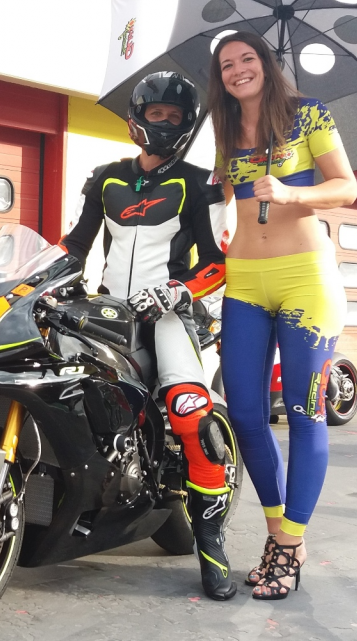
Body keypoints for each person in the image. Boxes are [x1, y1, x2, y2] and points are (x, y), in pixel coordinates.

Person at [59, 72, 236, 601]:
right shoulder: (106, 178)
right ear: (137, 118)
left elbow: (218, 262)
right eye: (155, 113)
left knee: (188, 410)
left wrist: (178, 292)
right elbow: (75, 246)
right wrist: (38, 280)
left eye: (174, 116)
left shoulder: (199, 182)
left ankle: (211, 544)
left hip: (168, 315)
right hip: (106, 310)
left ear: (187, 124)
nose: (163, 123)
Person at [208, 31, 357, 600]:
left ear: (267, 65)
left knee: (303, 411)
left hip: (305, 281)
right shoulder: (225, 129)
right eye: (227, 64)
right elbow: (222, 200)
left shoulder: (307, 114)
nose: (238, 70)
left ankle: (289, 546)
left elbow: (346, 187)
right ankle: (279, 533)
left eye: (247, 58)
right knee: (246, 413)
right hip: (244, 282)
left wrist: (293, 194)